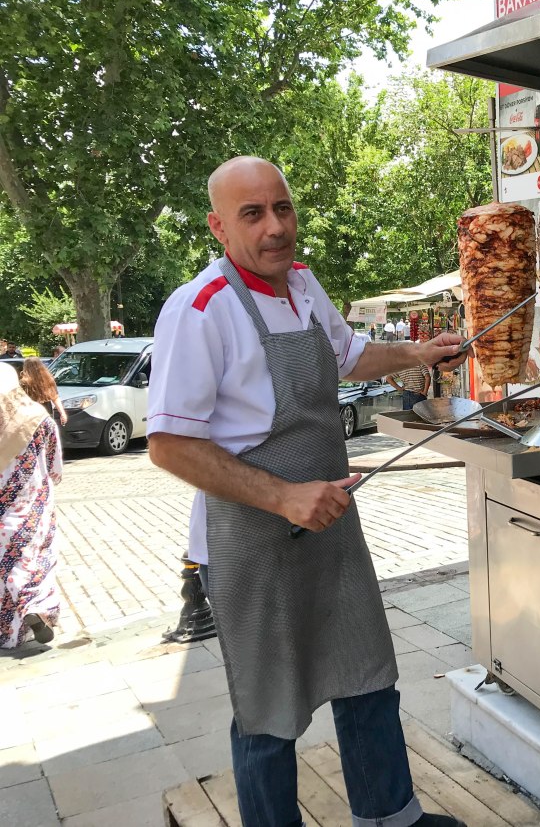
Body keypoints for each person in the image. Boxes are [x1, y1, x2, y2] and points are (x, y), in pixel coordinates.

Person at [146, 156, 467, 827]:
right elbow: (170, 444)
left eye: (282, 208)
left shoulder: (301, 284)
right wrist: (285, 497)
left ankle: (391, 817)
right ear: (218, 227)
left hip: (330, 518)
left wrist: (419, 353)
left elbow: (349, 356)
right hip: (250, 542)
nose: (275, 227)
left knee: (368, 671)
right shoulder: (201, 308)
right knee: (269, 710)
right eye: (253, 214)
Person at [0, 363, 63, 647]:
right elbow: (55, 465)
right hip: (36, 504)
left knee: (7, 566)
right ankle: (36, 605)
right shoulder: (39, 418)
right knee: (37, 557)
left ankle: (11, 629)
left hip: (4, 513)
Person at [19, 357, 68, 426]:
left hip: (29, 415)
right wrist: (62, 413)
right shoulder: (48, 380)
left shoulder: (23, 383)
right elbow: (55, 397)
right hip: (46, 413)